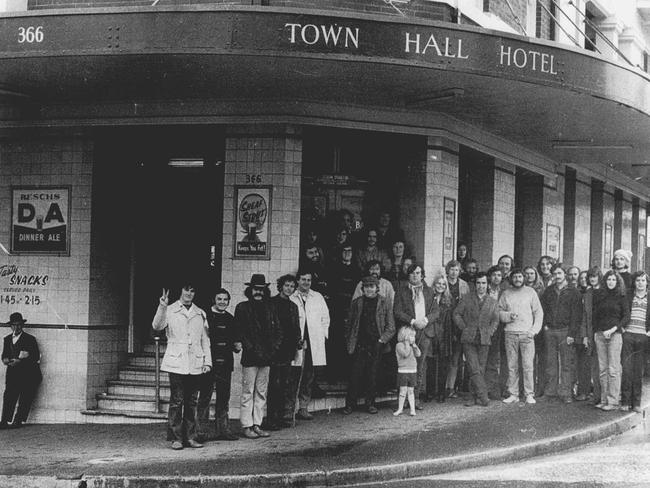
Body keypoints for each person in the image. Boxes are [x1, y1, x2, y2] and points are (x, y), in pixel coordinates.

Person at [152, 283, 212, 450]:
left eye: (193, 290)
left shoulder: (200, 313)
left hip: (195, 363)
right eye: (186, 289)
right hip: (177, 362)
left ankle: (190, 437)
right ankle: (176, 438)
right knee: (177, 401)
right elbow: (157, 326)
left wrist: (207, 362)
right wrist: (162, 306)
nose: (189, 293)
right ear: (180, 291)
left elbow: (205, 340)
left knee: (192, 401)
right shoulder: (169, 310)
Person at [234, 274, 281, 439]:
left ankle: (257, 425)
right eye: (255, 289)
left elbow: (278, 332)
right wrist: (252, 348)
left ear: (265, 291)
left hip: (267, 357)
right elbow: (239, 331)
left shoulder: (270, 308)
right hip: (250, 357)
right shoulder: (242, 307)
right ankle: (246, 426)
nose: (258, 292)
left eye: (261, 289)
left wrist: (273, 349)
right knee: (248, 391)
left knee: (261, 392)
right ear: (250, 290)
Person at [343, 275, 395, 414]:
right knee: (355, 374)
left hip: (376, 344)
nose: (369, 290)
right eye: (366, 287)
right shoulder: (357, 303)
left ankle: (370, 403)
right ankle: (349, 404)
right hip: (359, 343)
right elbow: (349, 325)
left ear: (377, 288)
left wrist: (381, 340)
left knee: (373, 375)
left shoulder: (385, 303)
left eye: (372, 287)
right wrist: (350, 341)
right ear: (362, 288)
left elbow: (391, 327)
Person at [197, 289, 241, 442]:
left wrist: (237, 345)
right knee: (205, 397)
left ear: (228, 301)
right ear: (214, 300)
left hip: (226, 363)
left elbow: (235, 341)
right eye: (219, 299)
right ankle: (201, 432)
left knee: (224, 398)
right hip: (209, 363)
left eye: (225, 299)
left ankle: (223, 430)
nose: (222, 302)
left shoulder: (231, 318)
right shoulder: (205, 316)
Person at [393, 263, 438, 409]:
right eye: (412, 273)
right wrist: (413, 321)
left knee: (420, 364)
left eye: (418, 273)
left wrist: (425, 321)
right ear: (408, 275)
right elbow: (397, 311)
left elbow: (436, 312)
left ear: (422, 275)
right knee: (406, 364)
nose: (415, 275)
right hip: (408, 331)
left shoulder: (429, 291)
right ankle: (403, 398)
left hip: (424, 332)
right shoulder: (401, 291)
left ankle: (415, 398)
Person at [288, 269, 330, 421]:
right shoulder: (291, 296)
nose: (306, 282)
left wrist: (322, 337)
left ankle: (303, 407)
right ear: (297, 281)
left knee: (308, 375)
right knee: (293, 374)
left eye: (309, 280)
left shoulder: (317, 297)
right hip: (296, 342)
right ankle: (290, 408)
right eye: (303, 279)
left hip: (313, 342)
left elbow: (326, 318)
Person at [453, 272, 499, 407]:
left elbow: (495, 320)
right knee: (473, 367)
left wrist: (490, 331)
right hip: (469, 337)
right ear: (475, 285)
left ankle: (473, 396)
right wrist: (464, 327)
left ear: (488, 284)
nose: (481, 286)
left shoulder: (492, 301)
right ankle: (484, 396)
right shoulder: (467, 298)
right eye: (478, 283)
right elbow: (456, 314)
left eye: (484, 283)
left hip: (484, 338)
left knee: (481, 367)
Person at [498, 268, 543, 404]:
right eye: (515, 277)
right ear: (511, 279)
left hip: (527, 334)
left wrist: (533, 331)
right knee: (512, 365)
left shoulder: (531, 292)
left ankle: (529, 393)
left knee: (528, 365)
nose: (518, 279)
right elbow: (499, 311)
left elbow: (538, 313)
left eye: (520, 277)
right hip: (510, 333)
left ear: (524, 278)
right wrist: (508, 316)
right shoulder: (506, 293)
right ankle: (514, 394)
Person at [539, 264, 582, 403]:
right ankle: (550, 392)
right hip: (550, 330)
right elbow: (543, 310)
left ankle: (566, 393)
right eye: (554, 274)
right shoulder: (549, 291)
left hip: (565, 331)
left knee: (566, 364)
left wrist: (572, 334)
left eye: (559, 273)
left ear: (565, 274)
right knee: (550, 363)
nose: (557, 276)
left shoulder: (574, 292)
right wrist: (545, 325)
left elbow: (577, 315)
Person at [266, 275, 301, 430]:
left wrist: (299, 341)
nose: (289, 288)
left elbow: (296, 327)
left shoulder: (293, 306)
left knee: (284, 385)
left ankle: (281, 417)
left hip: (288, 350)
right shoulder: (271, 303)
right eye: (286, 285)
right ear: (280, 286)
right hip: (274, 350)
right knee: (274, 385)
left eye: (292, 286)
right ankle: (270, 419)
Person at [592, 270, 629, 411]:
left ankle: (613, 401)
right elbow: (595, 316)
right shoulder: (600, 296)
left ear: (617, 281)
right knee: (602, 369)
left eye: (613, 279)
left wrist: (613, 329)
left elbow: (626, 317)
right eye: (608, 279)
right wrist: (597, 332)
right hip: (600, 335)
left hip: (614, 335)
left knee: (613, 369)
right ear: (605, 281)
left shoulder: (621, 297)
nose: (611, 282)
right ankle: (603, 399)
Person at [1, 312, 42, 429]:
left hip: (28, 373)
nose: (16, 327)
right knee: (9, 395)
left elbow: (35, 356)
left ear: (22, 325)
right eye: (14, 325)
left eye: (19, 325)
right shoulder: (7, 339)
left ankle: (18, 420)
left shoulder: (30, 339)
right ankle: (4, 420)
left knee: (25, 397)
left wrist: (22, 361)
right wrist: (5, 359)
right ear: (10, 326)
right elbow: (4, 354)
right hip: (13, 373)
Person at [325, 244, 359, 380]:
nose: (347, 253)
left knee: (350, 341)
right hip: (336, 309)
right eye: (344, 251)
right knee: (336, 340)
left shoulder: (356, 270)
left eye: (349, 251)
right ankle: (333, 374)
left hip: (351, 309)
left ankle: (347, 374)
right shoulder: (333, 268)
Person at [620, 271, 650, 413]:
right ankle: (625, 401)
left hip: (642, 337)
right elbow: (622, 312)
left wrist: (648, 332)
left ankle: (636, 403)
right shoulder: (628, 295)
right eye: (638, 280)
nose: (640, 283)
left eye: (643, 280)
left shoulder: (649, 297)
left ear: (647, 282)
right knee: (626, 369)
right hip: (629, 335)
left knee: (638, 370)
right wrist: (624, 329)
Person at [427, 270, 455, 403]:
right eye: (438, 283)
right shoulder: (428, 298)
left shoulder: (449, 301)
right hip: (431, 334)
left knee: (443, 365)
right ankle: (430, 392)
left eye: (443, 284)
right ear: (434, 284)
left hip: (444, 335)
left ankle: (441, 393)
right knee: (431, 364)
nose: (440, 286)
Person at [576, 266, 603, 403]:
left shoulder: (605, 292)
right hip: (591, 333)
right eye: (590, 277)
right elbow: (584, 317)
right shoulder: (587, 294)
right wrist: (585, 336)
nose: (592, 279)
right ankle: (595, 396)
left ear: (599, 277)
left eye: (595, 276)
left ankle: (604, 397)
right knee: (593, 366)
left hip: (604, 332)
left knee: (603, 366)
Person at [444, 260, 470, 398]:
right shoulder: (442, 282)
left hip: (458, 324)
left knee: (456, 357)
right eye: (452, 269)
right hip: (445, 322)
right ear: (447, 270)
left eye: (457, 270)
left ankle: (451, 387)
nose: (454, 272)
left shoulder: (464, 285)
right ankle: (441, 386)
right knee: (444, 357)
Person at [485, 265, 507, 399]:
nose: (496, 278)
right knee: (488, 358)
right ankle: (487, 388)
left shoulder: (505, 291)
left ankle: (497, 389)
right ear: (489, 277)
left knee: (498, 359)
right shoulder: (484, 289)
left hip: (502, 328)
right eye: (494, 275)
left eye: (499, 275)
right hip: (486, 327)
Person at [393, 326, 420, 416]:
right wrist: (407, 344)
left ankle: (412, 409)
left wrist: (415, 347)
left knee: (411, 390)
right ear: (405, 336)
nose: (414, 338)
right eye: (411, 336)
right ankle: (400, 408)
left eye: (414, 336)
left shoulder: (412, 346)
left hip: (412, 371)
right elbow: (405, 354)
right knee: (403, 390)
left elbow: (418, 354)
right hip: (403, 371)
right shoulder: (399, 345)